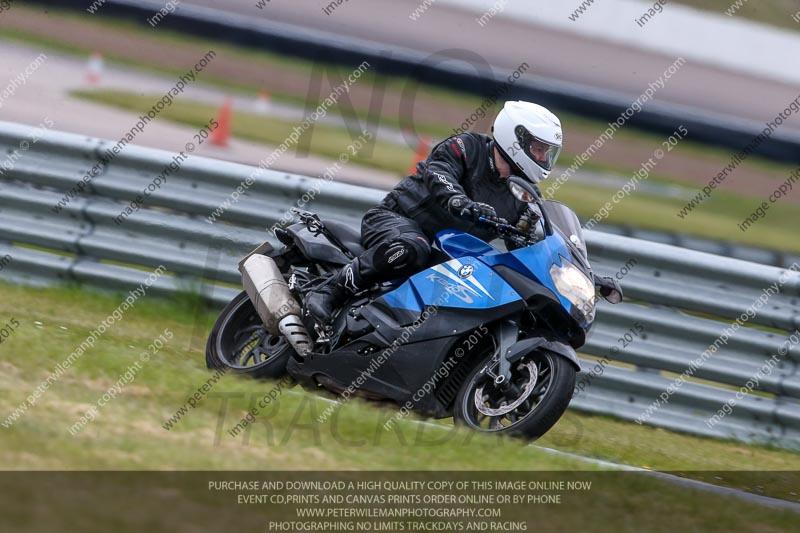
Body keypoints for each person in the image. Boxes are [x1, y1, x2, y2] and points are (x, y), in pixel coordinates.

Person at [305, 100, 564, 325]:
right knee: (413, 247)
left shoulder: (522, 193)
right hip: (396, 220)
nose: (543, 157)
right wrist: (461, 202)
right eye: (538, 148)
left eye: (545, 151)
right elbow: (439, 173)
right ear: (516, 138)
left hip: (446, 254)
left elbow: (535, 239)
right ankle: (329, 291)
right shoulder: (466, 147)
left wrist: (577, 274)